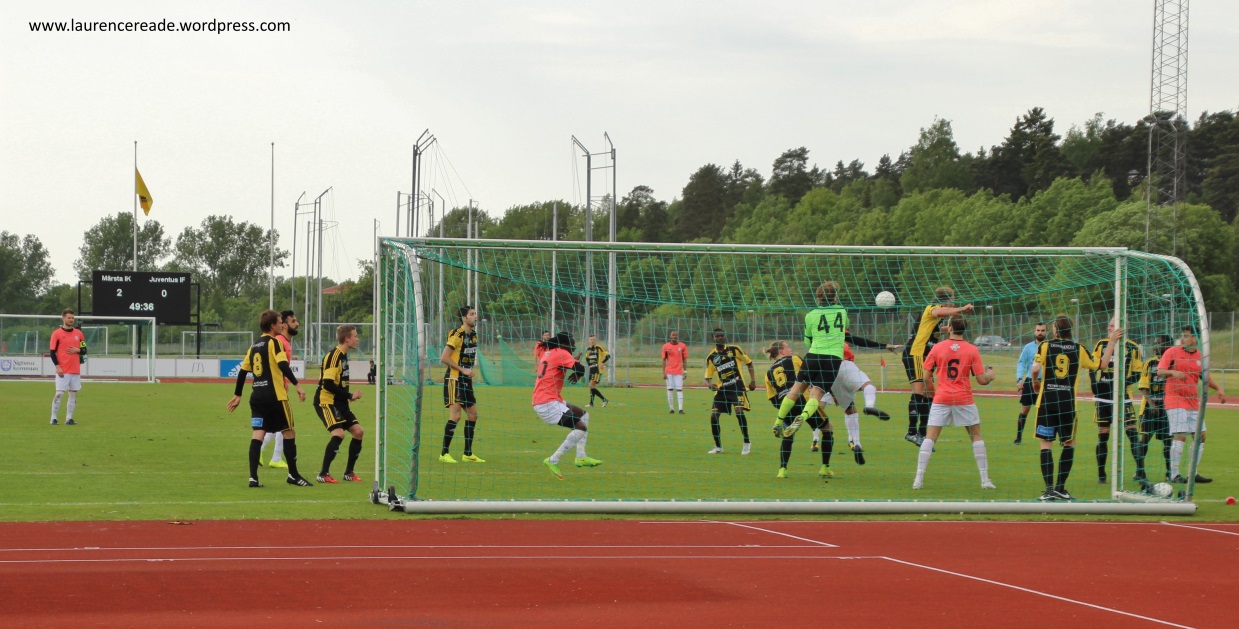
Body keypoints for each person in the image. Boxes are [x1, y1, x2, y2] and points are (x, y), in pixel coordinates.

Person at [1030, 315, 1121, 501]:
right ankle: (1060, 488)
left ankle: (1048, 490)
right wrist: (1111, 341)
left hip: (1047, 402)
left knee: (1046, 444)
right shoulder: (1079, 349)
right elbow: (1102, 364)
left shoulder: (1045, 346)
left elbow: (1035, 369)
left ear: (1056, 330)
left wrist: (1035, 383)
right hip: (1067, 404)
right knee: (1069, 443)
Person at [225, 309, 311, 487]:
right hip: (276, 396)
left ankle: (253, 478)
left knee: (258, 434)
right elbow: (283, 365)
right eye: (280, 322)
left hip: (257, 396)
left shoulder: (254, 346)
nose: (282, 325)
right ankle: (293, 475)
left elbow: (242, 372)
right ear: (272, 325)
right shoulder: (275, 342)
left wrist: (238, 394)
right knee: (289, 432)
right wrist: (297, 385)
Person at [913, 316, 998, 490]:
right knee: (976, 435)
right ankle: (985, 480)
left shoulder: (937, 347)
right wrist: (990, 375)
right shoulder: (972, 349)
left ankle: (918, 480)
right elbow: (982, 380)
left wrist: (932, 393)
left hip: (942, 397)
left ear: (950, 327)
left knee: (930, 437)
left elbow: (926, 376)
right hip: (963, 398)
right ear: (964, 329)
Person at [774, 281, 848, 440]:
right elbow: (845, 329)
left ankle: (778, 421)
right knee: (816, 394)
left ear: (818, 297)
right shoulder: (842, 311)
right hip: (833, 358)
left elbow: (807, 340)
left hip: (813, 355)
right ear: (835, 296)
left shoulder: (811, 315)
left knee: (795, 390)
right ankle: (803, 417)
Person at [904, 287, 973, 446]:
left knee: (929, 394)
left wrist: (950, 329)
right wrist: (961, 308)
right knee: (919, 391)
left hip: (926, 356)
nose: (953, 303)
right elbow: (938, 312)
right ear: (945, 300)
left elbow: (934, 330)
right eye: (952, 300)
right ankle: (911, 432)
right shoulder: (931, 309)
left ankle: (922, 433)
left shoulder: (936, 319)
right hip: (916, 353)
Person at [1158, 325, 1226, 484]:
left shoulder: (1200, 356)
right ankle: (1174, 475)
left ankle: (1192, 473)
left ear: (1195, 339)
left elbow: (1205, 377)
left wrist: (1219, 389)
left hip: (1193, 401)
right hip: (1175, 399)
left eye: (1186, 336)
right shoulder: (1172, 352)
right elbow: (1160, 371)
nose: (1182, 338)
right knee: (1180, 435)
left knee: (1201, 436)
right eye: (1182, 335)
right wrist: (1172, 372)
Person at [818, 332, 899, 465]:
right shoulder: (838, 331)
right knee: (868, 386)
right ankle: (869, 406)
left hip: (829, 372)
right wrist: (885, 346)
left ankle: (857, 443)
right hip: (845, 364)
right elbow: (859, 341)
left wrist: (832, 393)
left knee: (850, 410)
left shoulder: (817, 338)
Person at [532, 332, 600, 478]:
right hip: (547, 403)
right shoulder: (562, 353)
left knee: (584, 415)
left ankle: (581, 456)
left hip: (549, 399)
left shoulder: (550, 352)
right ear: (563, 344)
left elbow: (561, 366)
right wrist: (578, 372)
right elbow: (580, 369)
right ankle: (553, 460)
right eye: (571, 344)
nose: (573, 346)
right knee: (581, 427)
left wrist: (574, 365)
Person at [765, 341, 834, 478]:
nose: (790, 350)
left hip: (785, 405)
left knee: (788, 435)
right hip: (803, 401)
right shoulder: (794, 359)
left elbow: (772, 397)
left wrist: (783, 408)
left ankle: (782, 470)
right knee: (827, 429)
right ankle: (825, 468)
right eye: (787, 347)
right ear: (782, 351)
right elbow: (810, 372)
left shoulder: (768, 373)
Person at [1089, 319, 1144, 484]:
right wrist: (1094, 384)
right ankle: (1101, 475)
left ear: (1122, 327)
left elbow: (1138, 372)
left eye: (1112, 325)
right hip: (1103, 397)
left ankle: (1141, 472)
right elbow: (1093, 365)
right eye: (1109, 325)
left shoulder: (1133, 347)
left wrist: (1122, 383)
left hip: (1123, 397)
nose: (1108, 327)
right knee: (1103, 435)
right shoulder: (1101, 344)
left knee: (1132, 433)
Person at [313, 325, 365, 484]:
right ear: (347, 339)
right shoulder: (333, 356)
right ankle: (323, 474)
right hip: (326, 401)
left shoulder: (343, 356)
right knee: (339, 434)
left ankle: (349, 472)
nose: (357, 339)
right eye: (355, 336)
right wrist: (349, 395)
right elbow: (328, 384)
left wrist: (347, 397)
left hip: (340, 403)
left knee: (358, 432)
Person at [439, 306, 484, 464]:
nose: (475, 316)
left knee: (473, 415)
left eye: (475, 313)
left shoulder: (474, 335)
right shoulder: (457, 335)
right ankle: (444, 453)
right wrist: (463, 369)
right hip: (454, 379)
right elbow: (444, 358)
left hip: (466, 381)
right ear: (464, 318)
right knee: (456, 416)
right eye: (472, 314)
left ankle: (468, 453)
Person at [704, 328, 757, 455]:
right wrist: (710, 385)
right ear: (713, 338)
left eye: (721, 335)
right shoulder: (711, 357)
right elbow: (707, 377)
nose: (720, 338)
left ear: (724, 337)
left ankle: (746, 442)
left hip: (737, 386)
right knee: (714, 416)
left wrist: (753, 380)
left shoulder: (734, 349)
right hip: (722, 389)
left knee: (739, 412)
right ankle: (718, 446)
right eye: (717, 336)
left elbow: (749, 363)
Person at [259, 310, 299, 469]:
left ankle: (270, 455)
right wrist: (295, 384)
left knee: (277, 426)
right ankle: (271, 456)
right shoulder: (280, 342)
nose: (297, 324)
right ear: (283, 325)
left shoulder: (284, 342)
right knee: (285, 426)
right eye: (293, 321)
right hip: (275, 390)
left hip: (278, 388)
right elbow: (278, 366)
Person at [1134, 335, 1174, 483]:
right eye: (1155, 343)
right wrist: (1151, 404)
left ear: (1167, 346)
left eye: (1158, 344)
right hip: (1149, 409)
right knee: (1144, 440)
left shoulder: (1173, 363)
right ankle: (1140, 471)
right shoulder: (1150, 363)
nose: (1155, 346)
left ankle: (1170, 473)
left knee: (1168, 442)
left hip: (1167, 409)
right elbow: (1143, 386)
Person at [49, 308, 86, 426]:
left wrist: (77, 350)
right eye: (69, 318)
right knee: (59, 394)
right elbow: (52, 352)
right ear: (63, 318)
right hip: (63, 370)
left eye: (72, 318)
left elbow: (84, 350)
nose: (71, 320)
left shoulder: (79, 334)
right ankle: (53, 418)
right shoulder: (56, 334)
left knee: (73, 394)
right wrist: (57, 366)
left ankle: (69, 418)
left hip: (75, 369)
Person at [1013, 323, 1047, 444]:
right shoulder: (1028, 347)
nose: (1040, 332)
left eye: (1042, 330)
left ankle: (1048, 437)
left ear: (1046, 332)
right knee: (1024, 410)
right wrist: (1019, 379)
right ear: (1034, 331)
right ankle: (1018, 437)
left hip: (1045, 383)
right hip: (1029, 382)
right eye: (1038, 330)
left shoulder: (1050, 346)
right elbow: (1021, 363)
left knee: (1047, 411)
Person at [662, 330, 688, 414]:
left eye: (676, 335)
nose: (674, 336)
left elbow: (684, 359)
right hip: (669, 371)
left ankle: (680, 409)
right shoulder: (665, 346)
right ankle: (671, 409)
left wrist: (685, 371)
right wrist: (664, 372)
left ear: (677, 336)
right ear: (670, 336)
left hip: (678, 371)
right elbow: (663, 360)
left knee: (679, 389)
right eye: (673, 335)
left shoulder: (682, 346)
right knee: (670, 389)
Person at [584, 334, 612, 408]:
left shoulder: (599, 347)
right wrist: (589, 365)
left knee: (591, 385)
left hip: (598, 370)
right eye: (591, 339)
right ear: (589, 340)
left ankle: (604, 399)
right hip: (592, 369)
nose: (592, 341)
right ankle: (591, 403)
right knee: (591, 386)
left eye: (594, 339)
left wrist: (602, 362)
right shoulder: (588, 349)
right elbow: (587, 358)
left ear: (596, 340)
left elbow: (608, 356)